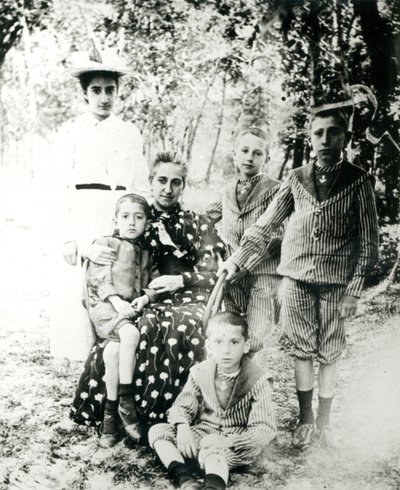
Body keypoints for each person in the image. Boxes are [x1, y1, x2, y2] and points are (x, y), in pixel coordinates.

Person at [219, 107, 379, 449]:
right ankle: (306, 419)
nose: (325, 139)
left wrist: (353, 290)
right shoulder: (296, 178)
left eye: (333, 132)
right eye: (318, 133)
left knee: (330, 351)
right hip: (294, 278)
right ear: (310, 138)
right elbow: (266, 225)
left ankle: (325, 422)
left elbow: (369, 241)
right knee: (302, 349)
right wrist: (237, 259)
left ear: (346, 138)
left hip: (336, 283)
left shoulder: (359, 180)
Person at [71, 152, 227, 435]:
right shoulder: (138, 215)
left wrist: (182, 279)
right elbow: (109, 246)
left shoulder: (197, 222)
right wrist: (88, 247)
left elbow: (216, 269)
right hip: (140, 297)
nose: (168, 189)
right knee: (139, 325)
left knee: (182, 323)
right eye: (161, 180)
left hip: (189, 295)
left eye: (176, 182)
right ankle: (123, 409)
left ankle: (172, 411)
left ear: (183, 186)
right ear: (151, 182)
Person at [50, 46, 149, 367]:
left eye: (110, 90)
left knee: (112, 278)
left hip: (117, 214)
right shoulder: (70, 132)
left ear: (119, 93)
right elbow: (57, 187)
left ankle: (108, 350)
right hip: (82, 210)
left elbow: (140, 184)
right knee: (75, 280)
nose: (104, 97)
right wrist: (70, 238)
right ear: (84, 94)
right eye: (96, 90)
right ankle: (70, 351)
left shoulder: (129, 132)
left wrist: (135, 225)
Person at [148, 312, 277, 490]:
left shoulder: (258, 379)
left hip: (235, 440)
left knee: (213, 452)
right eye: (218, 342)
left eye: (234, 342)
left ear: (246, 346)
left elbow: (264, 428)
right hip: (204, 432)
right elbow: (182, 405)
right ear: (208, 346)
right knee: (158, 431)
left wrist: (229, 441)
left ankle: (214, 486)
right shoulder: (200, 371)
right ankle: (184, 479)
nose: (226, 350)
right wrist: (182, 426)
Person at [86, 193, 162, 448]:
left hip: (128, 310)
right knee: (130, 335)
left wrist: (147, 297)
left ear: (146, 223)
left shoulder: (146, 252)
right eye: (125, 216)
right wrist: (117, 302)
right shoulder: (107, 243)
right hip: (107, 307)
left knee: (113, 353)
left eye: (139, 217)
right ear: (116, 219)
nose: (131, 222)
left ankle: (109, 419)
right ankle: (127, 405)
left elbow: (154, 282)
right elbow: (98, 279)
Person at [206, 126, 282, 352]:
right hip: (233, 277)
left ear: (266, 158)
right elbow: (205, 218)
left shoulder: (276, 190)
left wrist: (246, 265)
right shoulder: (227, 191)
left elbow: (277, 236)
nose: (250, 157)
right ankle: (234, 384)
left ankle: (255, 384)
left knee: (255, 337)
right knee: (232, 332)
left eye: (257, 153)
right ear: (235, 154)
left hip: (263, 272)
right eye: (245, 151)